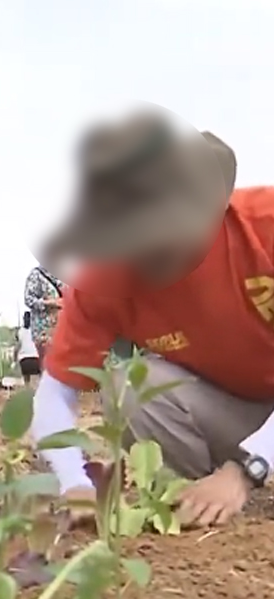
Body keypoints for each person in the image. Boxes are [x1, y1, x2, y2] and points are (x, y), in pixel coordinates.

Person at [31, 105, 274, 528]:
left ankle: (244, 480)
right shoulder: (103, 280)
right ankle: (204, 504)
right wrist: (74, 483)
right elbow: (55, 395)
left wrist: (246, 470)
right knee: (130, 390)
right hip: (238, 409)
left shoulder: (265, 226)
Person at [23, 265, 64, 358]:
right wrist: (49, 303)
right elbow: (28, 299)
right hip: (44, 330)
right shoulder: (36, 275)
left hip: (61, 326)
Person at [17, 311, 41, 387]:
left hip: (23, 359)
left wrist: (14, 359)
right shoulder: (35, 330)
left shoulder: (20, 331)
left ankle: (28, 396)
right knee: (35, 384)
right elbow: (38, 343)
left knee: (26, 383)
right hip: (34, 357)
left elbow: (18, 346)